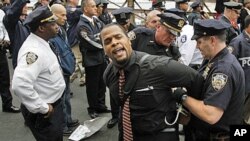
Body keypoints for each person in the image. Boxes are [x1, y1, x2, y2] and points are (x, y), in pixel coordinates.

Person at [101, 23, 204, 141]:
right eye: (107, 41)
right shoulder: (108, 74)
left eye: (118, 37)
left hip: (160, 134)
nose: (114, 42)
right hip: (128, 134)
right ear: (104, 49)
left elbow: (197, 80)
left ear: (129, 40)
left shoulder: (158, 66)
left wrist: (186, 107)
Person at [174, 19, 245, 141]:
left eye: (199, 42)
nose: (197, 46)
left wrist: (182, 97)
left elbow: (211, 114)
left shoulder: (223, 70)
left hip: (218, 136)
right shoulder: (211, 59)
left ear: (212, 40)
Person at [12, 5, 65, 141]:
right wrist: (43, 108)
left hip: (54, 105)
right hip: (45, 113)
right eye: (52, 23)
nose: (56, 25)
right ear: (41, 28)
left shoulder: (43, 42)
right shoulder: (33, 51)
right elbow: (20, 85)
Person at [76, 0, 109, 119]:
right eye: (93, 6)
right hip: (91, 60)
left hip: (101, 58)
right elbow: (91, 43)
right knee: (92, 86)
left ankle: (101, 105)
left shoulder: (96, 20)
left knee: (102, 83)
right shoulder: (82, 25)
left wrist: (101, 37)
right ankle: (92, 108)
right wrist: (104, 42)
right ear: (85, 9)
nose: (97, 8)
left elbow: (106, 32)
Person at [50, 4, 79, 136]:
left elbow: (66, 48)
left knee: (66, 98)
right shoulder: (51, 34)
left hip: (66, 70)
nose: (65, 18)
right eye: (62, 15)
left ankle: (67, 119)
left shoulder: (61, 29)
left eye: (65, 14)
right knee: (60, 101)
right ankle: (62, 126)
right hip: (59, 72)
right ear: (53, 15)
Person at [229, 15, 250, 125]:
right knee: (239, 118)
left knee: (246, 117)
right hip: (242, 89)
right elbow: (230, 66)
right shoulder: (237, 42)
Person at [0, 7, 20, 113]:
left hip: (1, 49)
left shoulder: (1, 12)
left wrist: (6, 39)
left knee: (4, 78)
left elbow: (4, 28)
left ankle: (7, 104)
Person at [3, 0, 30, 69]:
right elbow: (11, 14)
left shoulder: (25, 22)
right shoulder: (12, 23)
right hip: (21, 60)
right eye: (23, 6)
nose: (26, 7)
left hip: (29, 59)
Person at [66, 0, 86, 87]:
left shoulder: (72, 9)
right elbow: (79, 12)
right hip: (73, 38)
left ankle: (82, 78)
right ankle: (68, 78)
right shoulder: (69, 10)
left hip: (76, 38)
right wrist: (86, 6)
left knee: (80, 59)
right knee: (79, 60)